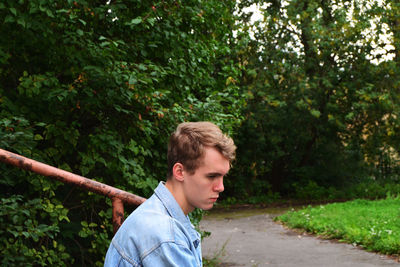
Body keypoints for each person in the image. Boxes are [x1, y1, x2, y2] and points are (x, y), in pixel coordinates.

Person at [104, 121, 236, 266]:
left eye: (223, 176)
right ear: (180, 172)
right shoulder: (165, 236)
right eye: (211, 176)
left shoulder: (161, 217)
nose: (221, 187)